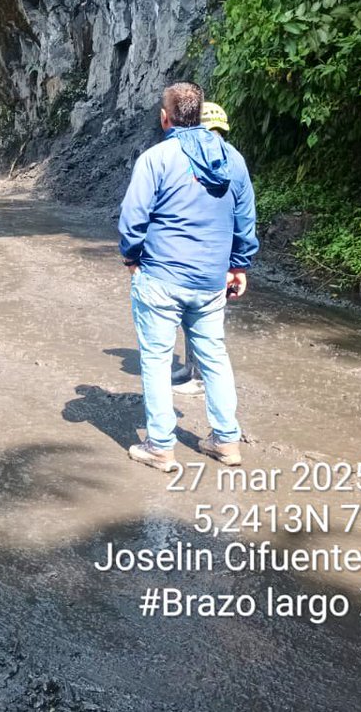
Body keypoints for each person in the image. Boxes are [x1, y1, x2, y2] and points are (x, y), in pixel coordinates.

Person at [118, 83, 258, 471]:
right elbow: (244, 219)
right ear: (199, 114)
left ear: (166, 117)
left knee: (157, 360)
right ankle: (226, 442)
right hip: (211, 281)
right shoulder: (234, 160)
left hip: (161, 277)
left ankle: (161, 446)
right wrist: (239, 265)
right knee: (214, 356)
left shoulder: (156, 158)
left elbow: (133, 218)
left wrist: (132, 258)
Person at [173, 101, 232, 396]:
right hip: (207, 256)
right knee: (190, 318)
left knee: (206, 326)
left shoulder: (222, 164)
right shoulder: (220, 161)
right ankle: (189, 369)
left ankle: (199, 378)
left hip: (207, 257)